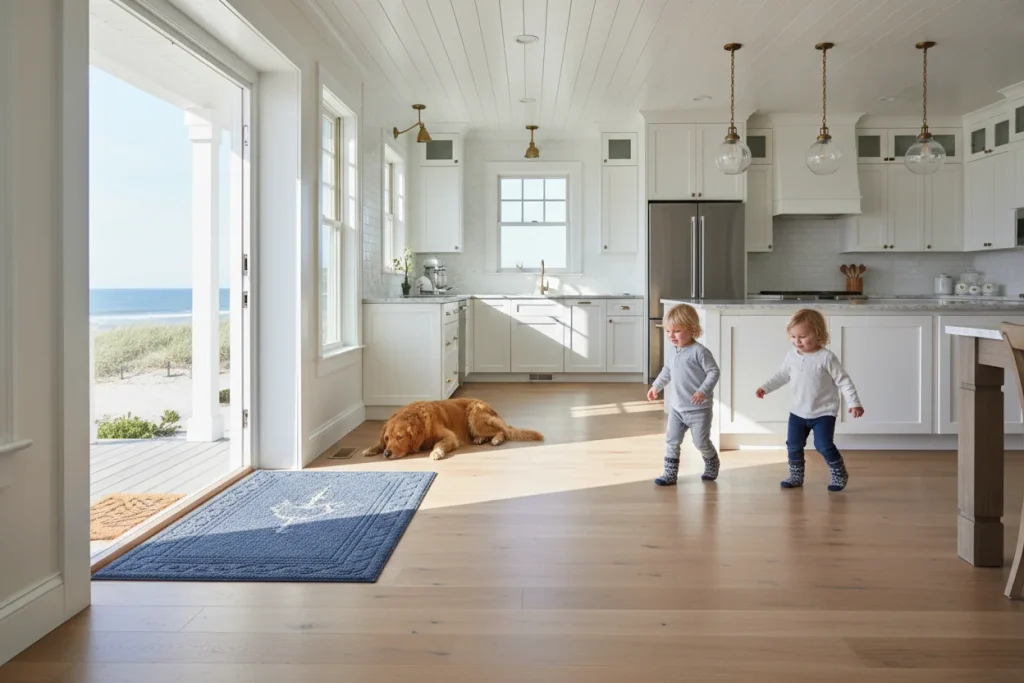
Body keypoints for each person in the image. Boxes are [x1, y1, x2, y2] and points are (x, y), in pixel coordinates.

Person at [755, 308, 864, 491]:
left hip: (823, 412)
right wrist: (765, 387)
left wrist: (854, 403)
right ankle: (796, 476)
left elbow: (843, 380)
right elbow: (782, 375)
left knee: (823, 445)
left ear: (818, 334)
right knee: (793, 445)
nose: (797, 341)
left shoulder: (826, 358)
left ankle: (839, 472)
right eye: (793, 337)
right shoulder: (791, 356)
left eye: (803, 336)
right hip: (798, 411)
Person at [646, 303, 721, 486]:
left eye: (677, 331)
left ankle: (711, 460)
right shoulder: (673, 351)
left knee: (700, 442)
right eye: (668, 331)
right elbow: (667, 371)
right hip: (677, 408)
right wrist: (656, 386)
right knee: (671, 440)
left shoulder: (700, 352)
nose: (671, 335)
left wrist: (703, 391)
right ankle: (670, 474)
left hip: (698, 410)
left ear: (692, 329)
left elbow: (714, 372)